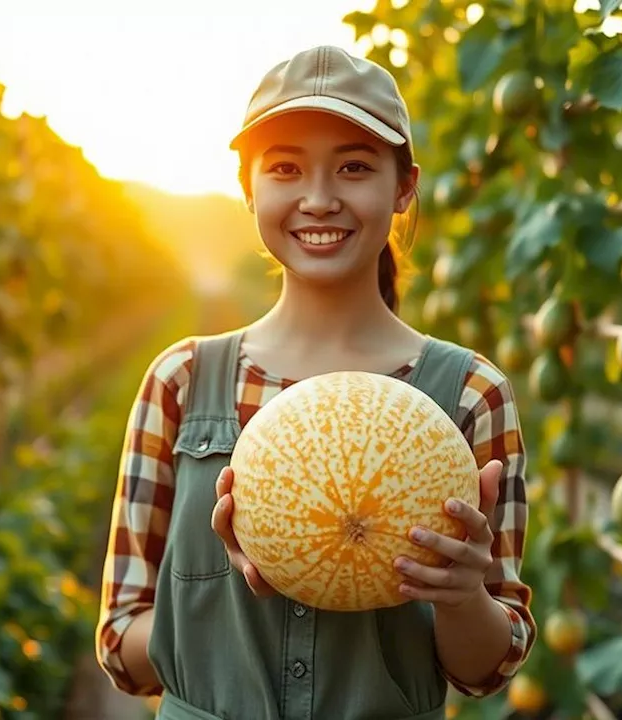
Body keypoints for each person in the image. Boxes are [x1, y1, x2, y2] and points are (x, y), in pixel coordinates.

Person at [95, 44, 535, 720]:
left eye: (354, 167)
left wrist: (462, 592)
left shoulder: (473, 395)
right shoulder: (179, 382)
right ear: (249, 188)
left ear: (404, 187)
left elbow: (484, 671)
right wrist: (221, 604)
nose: (320, 199)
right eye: (286, 168)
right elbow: (120, 640)